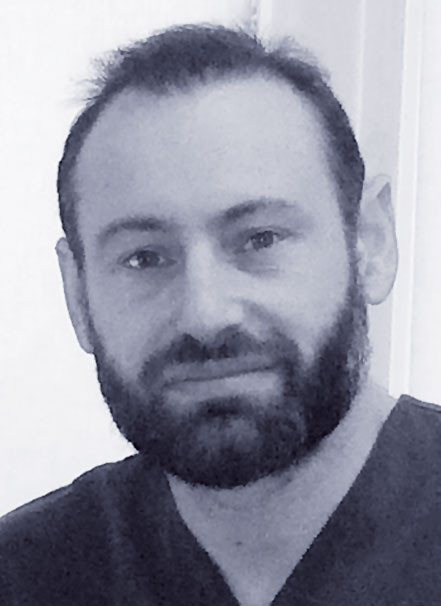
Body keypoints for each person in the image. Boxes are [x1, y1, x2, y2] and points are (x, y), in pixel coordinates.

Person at [1, 24, 440, 606]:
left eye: (260, 239)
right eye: (145, 257)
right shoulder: (24, 575)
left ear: (371, 245)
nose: (204, 315)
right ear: (78, 295)